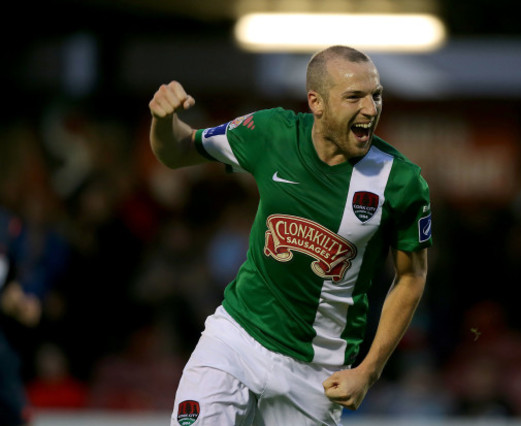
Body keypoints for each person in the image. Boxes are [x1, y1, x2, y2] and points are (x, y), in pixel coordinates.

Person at [149, 45, 432, 425]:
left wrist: (368, 371)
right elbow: (179, 150)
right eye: (354, 97)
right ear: (316, 102)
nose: (370, 109)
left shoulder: (401, 182)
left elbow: (412, 276)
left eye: (376, 95)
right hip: (237, 338)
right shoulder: (270, 133)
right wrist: (162, 121)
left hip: (318, 372)